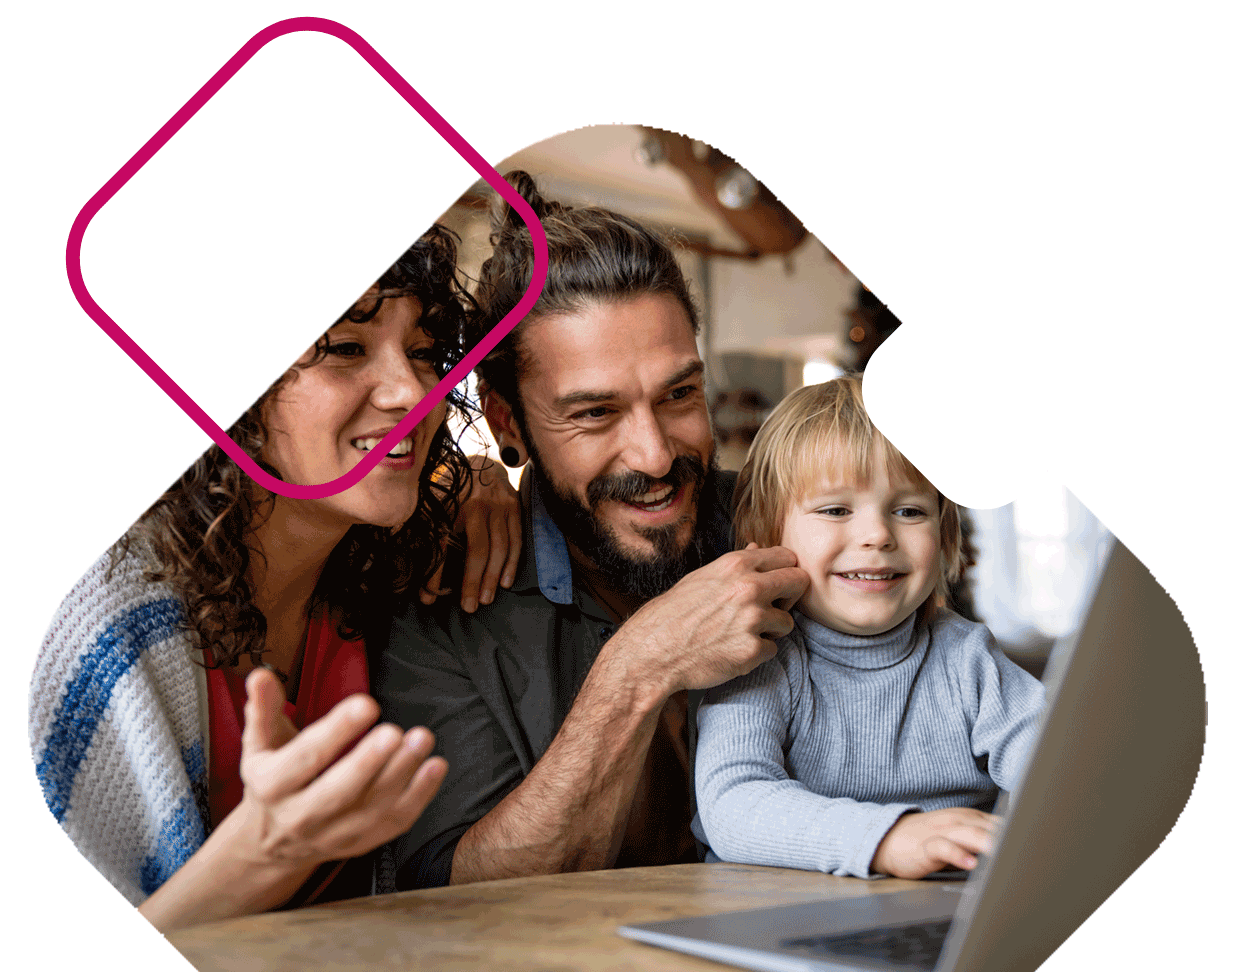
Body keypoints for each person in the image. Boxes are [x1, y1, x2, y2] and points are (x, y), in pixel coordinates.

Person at [28, 226, 520, 931]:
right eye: (346, 348)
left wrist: (477, 477)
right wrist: (261, 854)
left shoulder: (377, 582)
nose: (412, 390)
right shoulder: (93, 620)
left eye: (421, 354)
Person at [373, 172, 810, 889]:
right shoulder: (439, 605)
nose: (656, 455)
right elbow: (459, 900)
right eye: (594, 414)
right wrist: (638, 666)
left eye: (678, 395)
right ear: (507, 419)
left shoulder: (797, 529)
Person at [692, 375, 1045, 879]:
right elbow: (735, 807)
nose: (878, 535)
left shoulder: (968, 659)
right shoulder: (761, 659)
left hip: (940, 919)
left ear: (944, 538)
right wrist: (889, 838)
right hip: (775, 916)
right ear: (765, 535)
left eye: (909, 511)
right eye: (835, 510)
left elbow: (1065, 772)